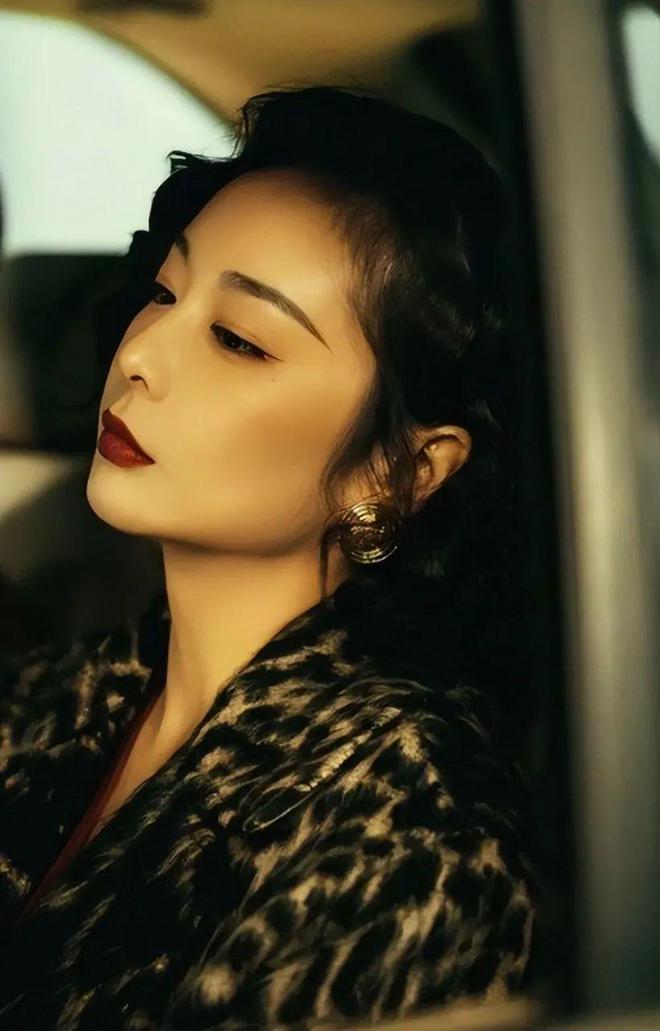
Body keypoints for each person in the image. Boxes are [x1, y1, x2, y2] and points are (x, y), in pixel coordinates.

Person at [0, 85, 538, 1030]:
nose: (141, 354)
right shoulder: (56, 693)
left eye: (238, 339)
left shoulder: (411, 832)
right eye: (164, 291)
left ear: (402, 469)